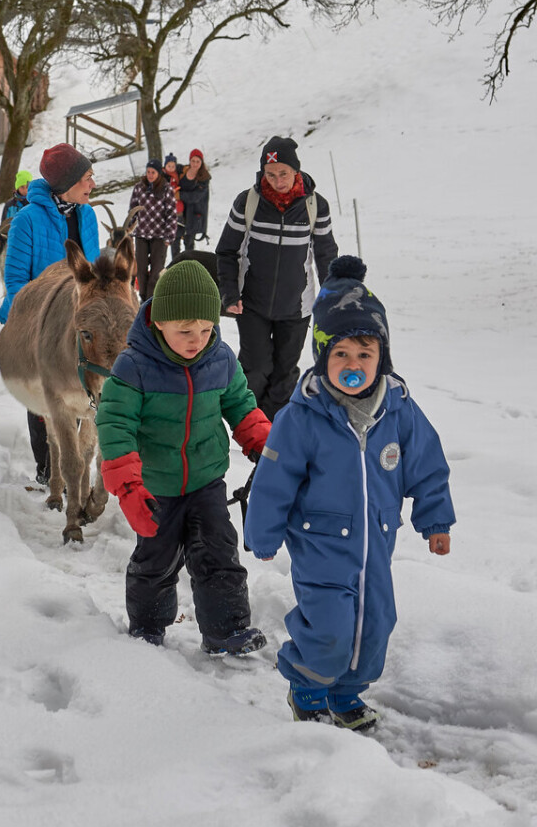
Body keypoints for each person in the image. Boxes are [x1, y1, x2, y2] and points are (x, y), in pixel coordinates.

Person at [244, 256, 454, 731]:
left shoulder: (398, 409)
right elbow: (273, 483)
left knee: (376, 625)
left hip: (376, 546)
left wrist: (435, 520)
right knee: (331, 630)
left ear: (382, 357)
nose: (354, 365)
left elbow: (427, 466)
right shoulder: (302, 416)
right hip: (320, 547)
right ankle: (307, 689)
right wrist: (262, 534)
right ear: (322, 357)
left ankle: (346, 694)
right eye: (341, 355)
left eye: (365, 354)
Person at [97, 259, 272, 653]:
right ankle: (147, 627)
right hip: (156, 486)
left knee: (218, 553)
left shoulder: (220, 358)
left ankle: (225, 631)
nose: (197, 339)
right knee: (155, 562)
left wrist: (265, 444)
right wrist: (128, 487)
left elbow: (241, 405)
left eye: (207, 329)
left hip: (207, 479)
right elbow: (115, 425)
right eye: (185, 331)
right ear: (159, 322)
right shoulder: (134, 366)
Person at [0, 143, 100, 481]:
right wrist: (26, 326)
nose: (92, 184)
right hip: (39, 321)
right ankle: (47, 468)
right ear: (66, 182)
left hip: (78, 320)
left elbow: (94, 271)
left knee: (84, 390)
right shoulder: (27, 219)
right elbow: (15, 280)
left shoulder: (87, 215)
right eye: (87, 177)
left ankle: (77, 463)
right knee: (45, 395)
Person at [216, 136, 337, 420]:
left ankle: (273, 437)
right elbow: (226, 251)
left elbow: (326, 255)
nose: (277, 180)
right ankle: (250, 425)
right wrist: (230, 294)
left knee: (285, 374)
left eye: (283, 173)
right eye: (270, 174)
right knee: (255, 369)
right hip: (252, 305)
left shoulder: (315, 206)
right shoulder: (248, 202)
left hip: (297, 308)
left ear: (295, 171)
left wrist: (333, 298)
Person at [128, 157, 178, 300]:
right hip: (141, 234)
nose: (150, 175)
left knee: (156, 272)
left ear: (159, 173)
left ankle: (151, 301)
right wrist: (129, 230)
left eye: (153, 172)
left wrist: (169, 236)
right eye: (148, 172)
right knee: (141, 271)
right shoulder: (139, 188)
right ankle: (144, 299)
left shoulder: (166, 189)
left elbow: (171, 214)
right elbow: (132, 211)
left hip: (159, 236)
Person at [178, 148, 211, 254]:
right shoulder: (183, 172)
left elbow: (195, 196)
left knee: (189, 243)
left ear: (201, 162)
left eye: (198, 161)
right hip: (180, 212)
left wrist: (179, 195)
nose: (195, 164)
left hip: (194, 213)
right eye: (193, 161)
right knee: (175, 240)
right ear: (189, 160)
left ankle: (189, 265)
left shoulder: (204, 178)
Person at [163, 154, 182, 264]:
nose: (171, 168)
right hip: (170, 212)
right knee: (173, 239)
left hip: (180, 211)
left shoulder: (178, 176)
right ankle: (175, 261)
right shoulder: (164, 177)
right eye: (169, 166)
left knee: (180, 235)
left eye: (172, 166)